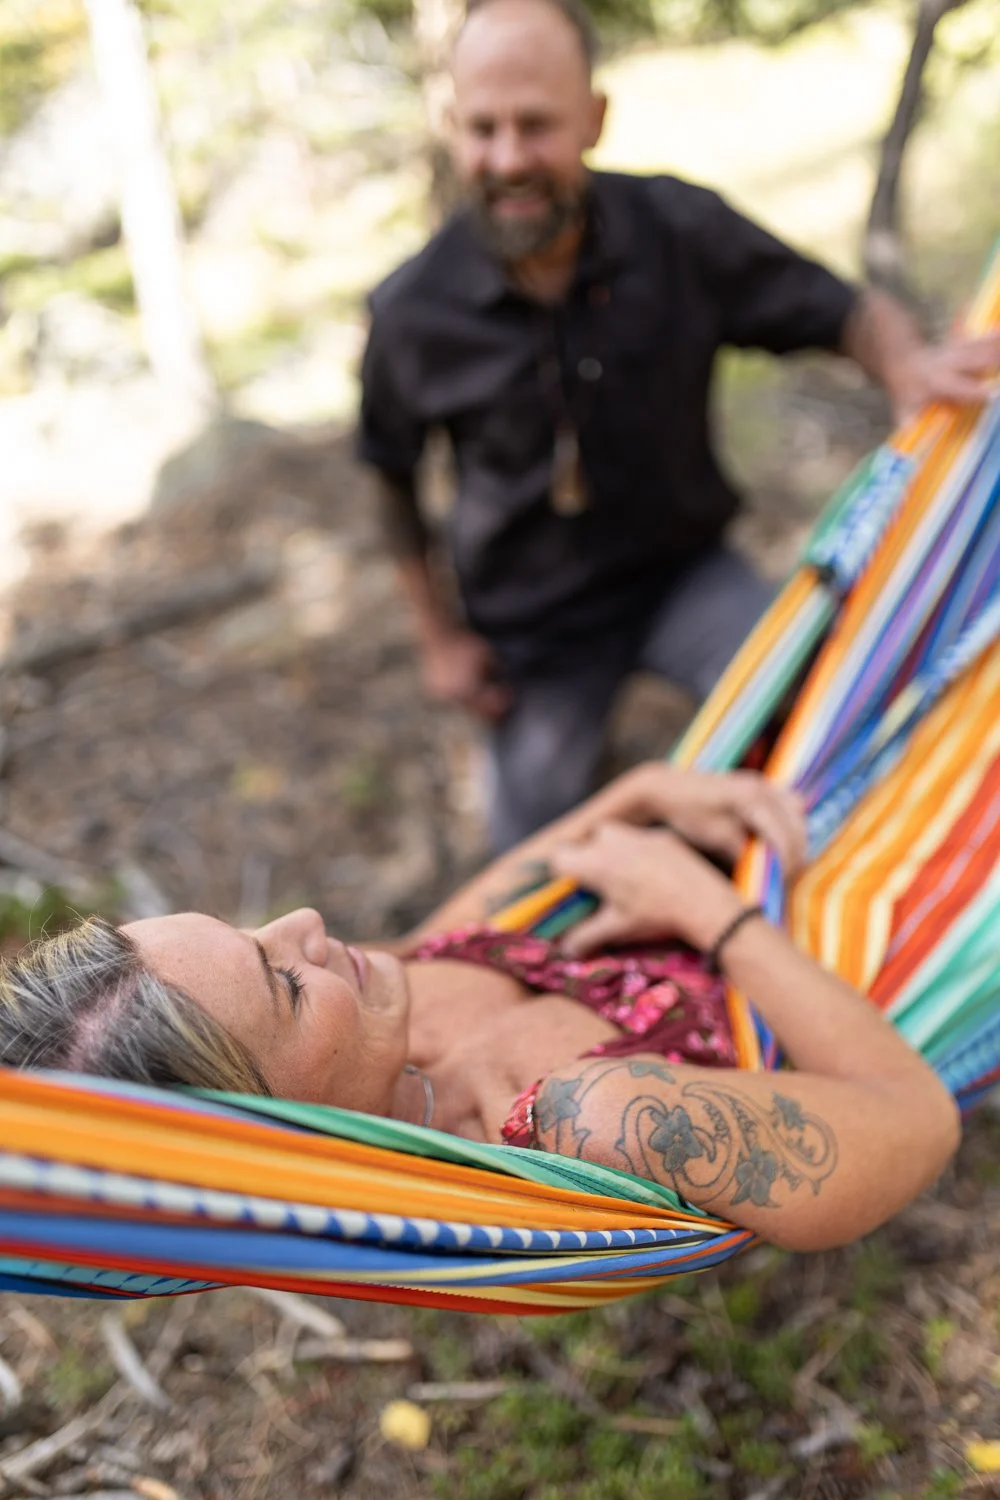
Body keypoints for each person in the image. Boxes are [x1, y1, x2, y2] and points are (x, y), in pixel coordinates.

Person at [358, 0, 1000, 852]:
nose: (507, 158)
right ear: (451, 127)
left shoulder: (678, 231)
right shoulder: (411, 312)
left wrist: (908, 365)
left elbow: (842, 312)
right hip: (535, 634)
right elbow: (389, 476)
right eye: (483, 129)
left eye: (536, 126)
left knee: (831, 736)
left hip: (686, 576)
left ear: (595, 118)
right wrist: (439, 638)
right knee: (531, 874)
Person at [0, 762, 959, 1252]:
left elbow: (514, 887)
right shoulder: (608, 1120)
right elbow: (915, 1112)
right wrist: (708, 912)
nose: (305, 921)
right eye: (283, 984)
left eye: (251, 929)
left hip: (803, 797)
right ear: (278, 1137)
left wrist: (640, 789)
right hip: (918, 906)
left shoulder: (383, 1015)